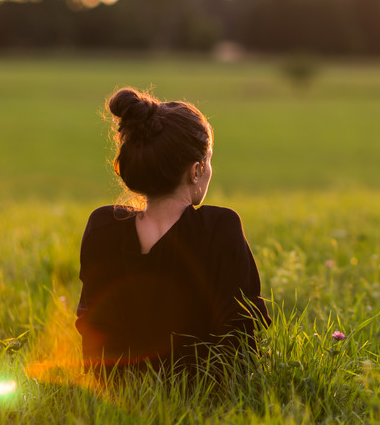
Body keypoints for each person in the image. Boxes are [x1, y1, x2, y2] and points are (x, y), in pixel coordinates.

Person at [75, 87, 269, 377]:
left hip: (116, 393)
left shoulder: (103, 227)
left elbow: (92, 326)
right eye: (209, 161)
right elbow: (241, 330)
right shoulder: (218, 227)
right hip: (208, 395)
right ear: (196, 170)